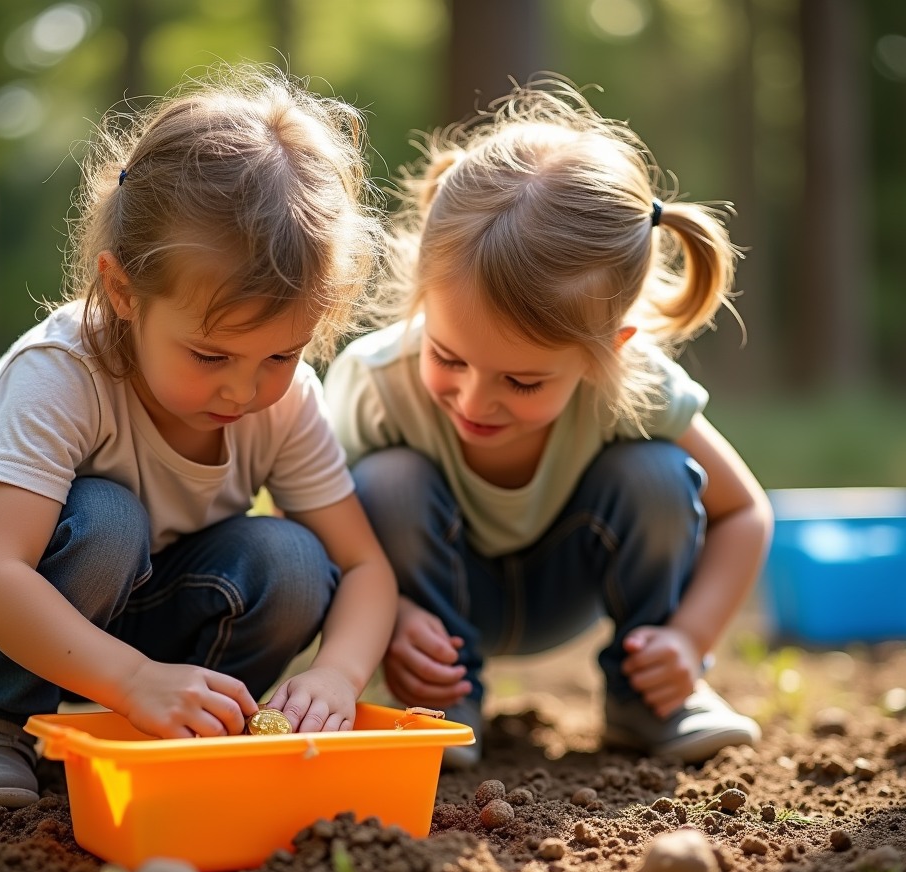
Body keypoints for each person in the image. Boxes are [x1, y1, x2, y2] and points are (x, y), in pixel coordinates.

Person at [0, 65, 398, 810]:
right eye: (211, 355)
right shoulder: (64, 371)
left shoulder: (286, 405)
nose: (243, 391)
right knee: (106, 521)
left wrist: (337, 675)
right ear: (124, 292)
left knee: (291, 558)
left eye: (281, 355)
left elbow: (364, 567)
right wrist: (128, 677)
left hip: (134, 600)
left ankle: (197, 722)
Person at [323, 77, 773, 769]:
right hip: (437, 608)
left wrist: (688, 638)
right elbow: (321, 530)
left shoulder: (635, 384)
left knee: (654, 474)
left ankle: (649, 704)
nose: (474, 402)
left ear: (608, 352)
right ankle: (443, 707)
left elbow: (744, 513)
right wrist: (393, 621)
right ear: (422, 290)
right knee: (386, 482)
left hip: (572, 587)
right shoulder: (377, 383)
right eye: (448, 357)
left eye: (523, 381)